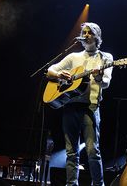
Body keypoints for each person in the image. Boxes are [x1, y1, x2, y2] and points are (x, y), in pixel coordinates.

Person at [47, 22, 113, 186]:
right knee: (71, 152)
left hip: (90, 107)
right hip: (70, 107)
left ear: (97, 36)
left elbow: (105, 83)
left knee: (92, 151)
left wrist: (98, 77)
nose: (86, 35)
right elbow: (50, 71)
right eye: (83, 32)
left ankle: (98, 184)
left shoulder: (106, 57)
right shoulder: (73, 57)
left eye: (89, 32)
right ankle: (71, 184)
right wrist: (59, 74)